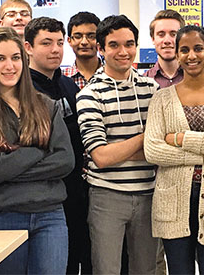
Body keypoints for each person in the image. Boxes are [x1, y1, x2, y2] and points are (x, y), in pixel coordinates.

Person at [0, 27, 75, 274]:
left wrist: (8, 164)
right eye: (0, 59)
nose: (9, 66)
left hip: (49, 216)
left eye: (15, 58)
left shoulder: (47, 106)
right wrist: (38, 150)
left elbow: (65, 160)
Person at [144, 25, 204, 275]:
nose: (192, 56)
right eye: (184, 50)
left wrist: (178, 138)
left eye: (198, 48)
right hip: (173, 201)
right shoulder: (162, 99)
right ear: (177, 55)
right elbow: (153, 151)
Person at [76, 15, 159, 275]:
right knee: (107, 270)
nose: (123, 52)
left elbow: (161, 150)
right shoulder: (89, 94)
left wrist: (119, 150)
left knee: (146, 270)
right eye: (114, 45)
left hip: (149, 195)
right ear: (101, 49)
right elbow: (100, 157)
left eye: (129, 44)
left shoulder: (152, 89)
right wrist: (145, 138)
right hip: (106, 197)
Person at [23, 16, 91, 275]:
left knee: (76, 257)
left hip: (75, 188)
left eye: (60, 42)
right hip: (43, 192)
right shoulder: (23, 89)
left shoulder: (68, 84)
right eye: (46, 43)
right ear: (28, 47)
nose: (55, 49)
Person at [144, 10, 186, 88]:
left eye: (173, 34)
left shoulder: (197, 79)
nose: (167, 41)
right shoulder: (143, 83)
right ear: (153, 39)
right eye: (161, 35)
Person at [63, 11, 103, 89]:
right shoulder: (61, 79)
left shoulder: (112, 75)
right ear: (69, 41)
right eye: (78, 36)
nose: (84, 42)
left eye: (91, 36)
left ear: (100, 40)